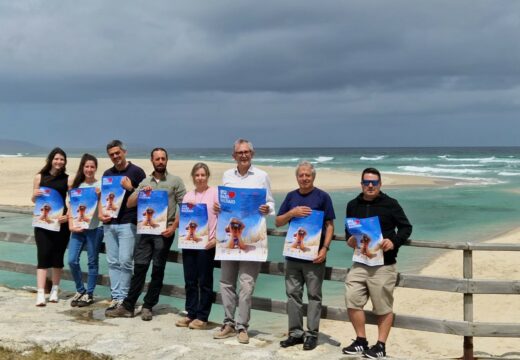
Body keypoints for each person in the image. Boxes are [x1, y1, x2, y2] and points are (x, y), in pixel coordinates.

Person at [106, 147, 185, 321]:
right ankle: (128, 306)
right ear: (152, 161)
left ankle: (149, 305)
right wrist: (141, 192)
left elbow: (185, 207)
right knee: (140, 268)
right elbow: (129, 204)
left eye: (163, 158)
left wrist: (173, 228)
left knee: (158, 270)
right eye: (157, 159)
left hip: (164, 232)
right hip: (144, 232)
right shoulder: (144, 181)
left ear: (167, 160)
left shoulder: (175, 181)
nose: (160, 161)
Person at [342, 168, 412, 359]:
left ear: (380, 184)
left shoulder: (391, 204)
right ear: (362, 184)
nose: (370, 185)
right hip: (360, 262)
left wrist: (394, 241)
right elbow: (349, 230)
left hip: (384, 265)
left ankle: (380, 346)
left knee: (382, 306)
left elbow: (406, 227)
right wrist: (349, 239)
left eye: (374, 182)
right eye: (366, 182)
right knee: (352, 299)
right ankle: (361, 341)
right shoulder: (352, 204)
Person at [213, 138, 275, 344]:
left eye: (247, 152)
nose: (243, 155)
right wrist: (218, 208)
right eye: (240, 152)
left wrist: (267, 209)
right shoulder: (227, 176)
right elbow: (225, 204)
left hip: (253, 238)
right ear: (234, 156)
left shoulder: (262, 176)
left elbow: (271, 204)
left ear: (252, 154)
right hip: (227, 237)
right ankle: (228, 323)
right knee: (226, 283)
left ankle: (242, 326)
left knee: (247, 285)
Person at [276, 161, 335, 351]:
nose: (304, 178)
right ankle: (295, 333)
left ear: (313, 177)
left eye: (307, 175)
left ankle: (312, 334)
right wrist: (291, 213)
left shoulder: (323, 197)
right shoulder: (291, 197)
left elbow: (329, 226)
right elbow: (278, 222)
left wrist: (325, 248)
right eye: (301, 175)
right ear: (297, 177)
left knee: (314, 296)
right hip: (292, 257)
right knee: (293, 296)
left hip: (314, 257)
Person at [99, 140, 146, 313]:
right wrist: (100, 213)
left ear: (124, 152)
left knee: (126, 261)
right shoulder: (107, 173)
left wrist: (131, 187)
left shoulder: (137, 172)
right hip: (109, 222)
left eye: (117, 153)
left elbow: (146, 198)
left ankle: (126, 299)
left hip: (128, 222)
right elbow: (104, 198)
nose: (115, 157)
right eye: (111, 154)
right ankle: (116, 296)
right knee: (112, 262)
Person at [175, 162, 218, 330]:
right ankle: (191, 313)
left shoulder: (214, 193)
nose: (200, 178)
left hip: (207, 245)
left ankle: (202, 316)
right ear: (193, 177)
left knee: (205, 281)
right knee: (190, 280)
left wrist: (217, 240)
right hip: (189, 244)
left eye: (203, 175)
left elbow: (224, 217)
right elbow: (184, 219)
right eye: (197, 175)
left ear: (207, 176)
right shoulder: (188, 196)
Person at [32, 147, 70, 306]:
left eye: (62, 159)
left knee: (57, 257)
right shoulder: (39, 177)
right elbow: (34, 200)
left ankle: (55, 290)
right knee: (43, 255)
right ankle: (40, 293)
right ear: (51, 159)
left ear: (64, 162)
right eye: (56, 158)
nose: (59, 161)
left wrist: (68, 216)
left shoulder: (68, 179)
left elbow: (72, 200)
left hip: (60, 223)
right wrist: (34, 195)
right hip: (42, 224)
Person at [67, 154, 104, 307]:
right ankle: (80, 289)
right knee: (71, 260)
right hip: (77, 228)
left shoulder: (100, 185)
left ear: (95, 168)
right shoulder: (76, 186)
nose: (89, 169)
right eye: (87, 166)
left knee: (92, 262)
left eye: (92, 167)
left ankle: (89, 293)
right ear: (82, 168)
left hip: (95, 228)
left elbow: (106, 208)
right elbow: (70, 207)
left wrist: (100, 196)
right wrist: (70, 225)